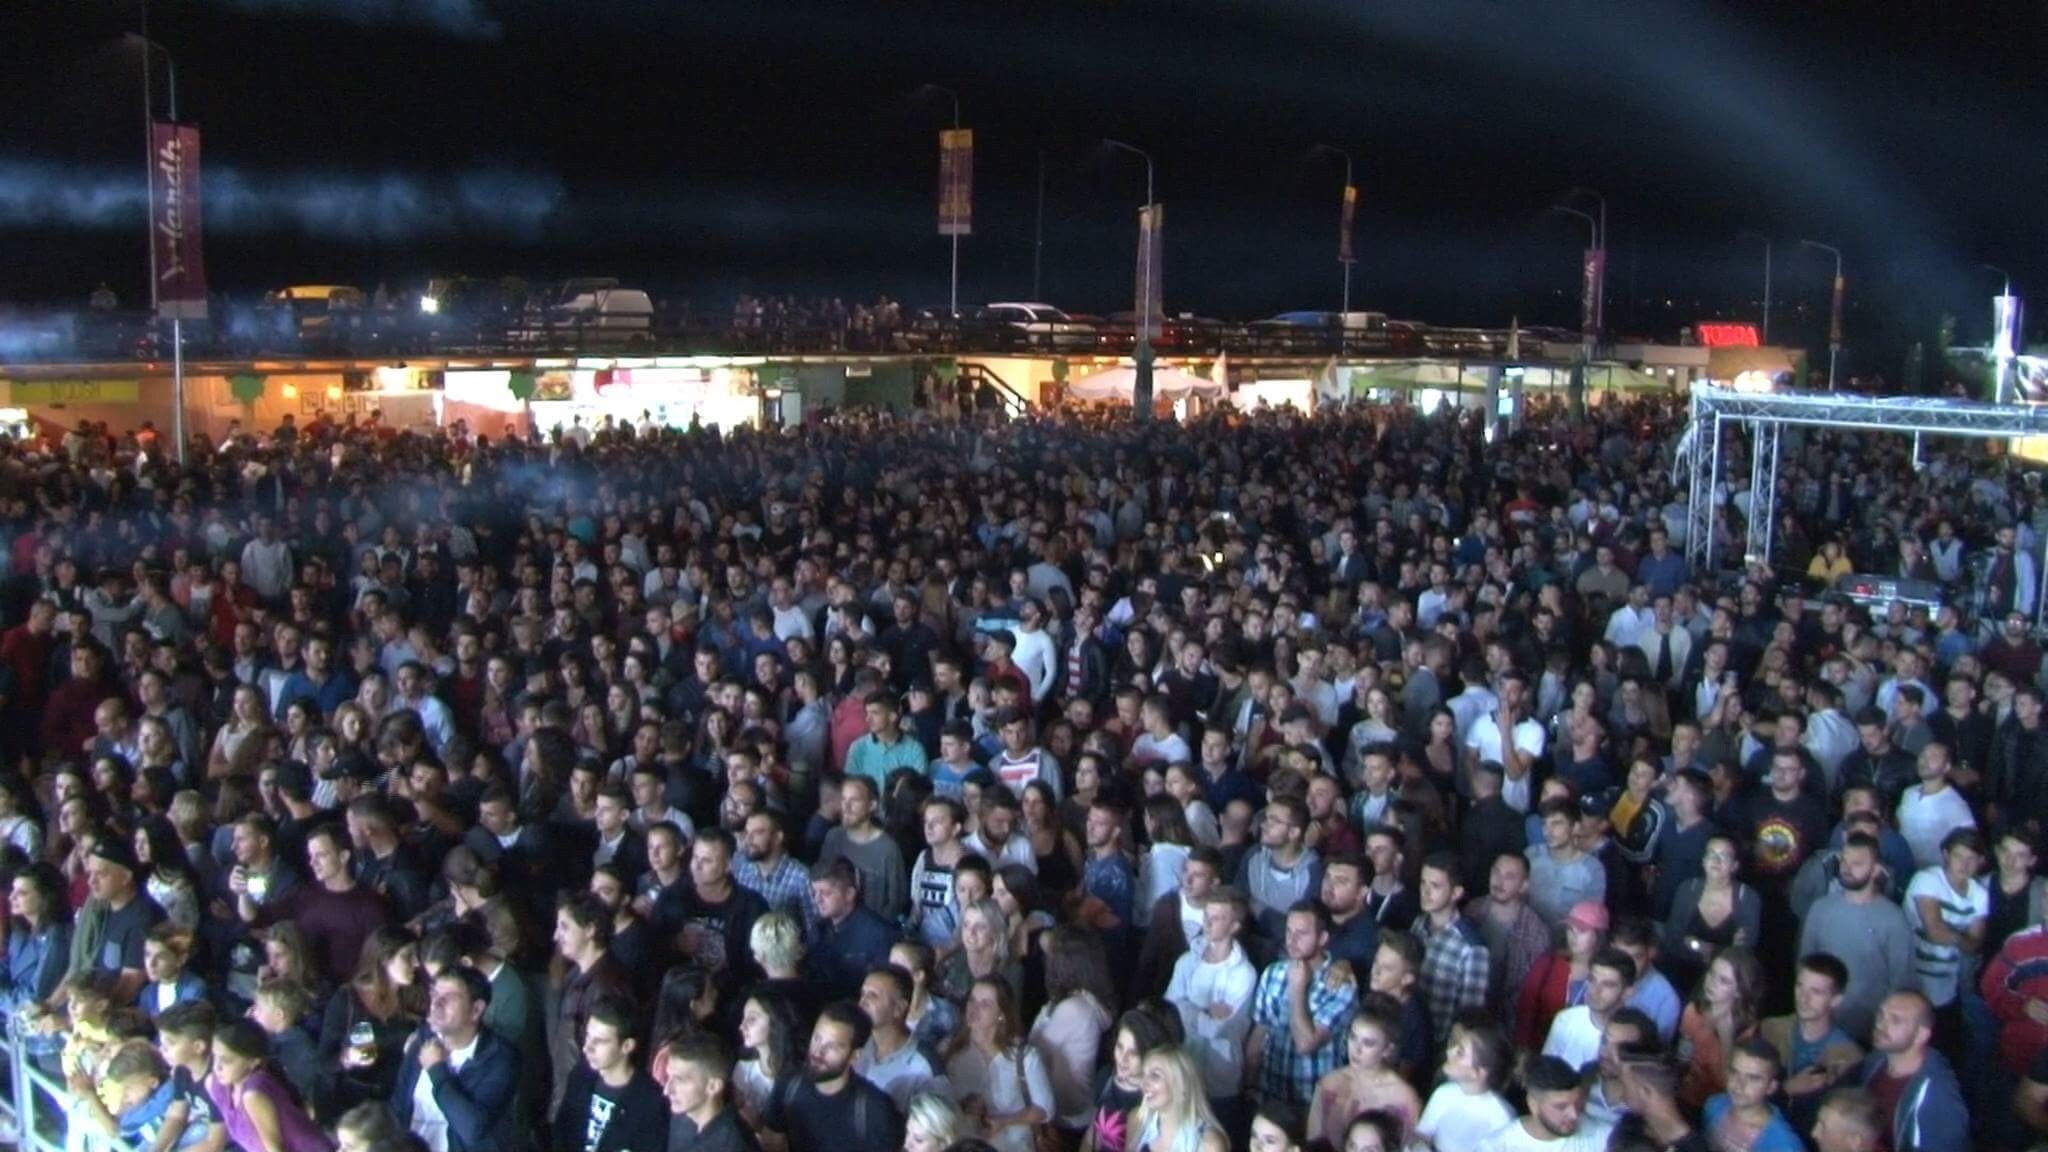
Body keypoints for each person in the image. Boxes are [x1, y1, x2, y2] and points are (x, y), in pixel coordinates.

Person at [1798, 833, 1916, 1042]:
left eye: (1857, 863)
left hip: (1869, 1030)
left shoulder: (1893, 919)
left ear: (1876, 869)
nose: (1847, 868)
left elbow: (1902, 981)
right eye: (1844, 861)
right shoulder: (1820, 909)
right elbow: (1805, 964)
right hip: (1820, 1024)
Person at [391, 966, 523, 1152]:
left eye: (448, 997)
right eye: (434, 994)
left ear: (476, 1010)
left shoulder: (500, 1059)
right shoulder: (422, 1040)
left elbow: (472, 1129)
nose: (436, 1004)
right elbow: (397, 1107)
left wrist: (436, 1070)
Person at [1247, 900, 1358, 1109]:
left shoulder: (1341, 986)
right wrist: (1248, 1086)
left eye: (1302, 933)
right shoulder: (1273, 973)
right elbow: (1259, 1034)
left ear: (1322, 938)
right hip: (1270, 1095)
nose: (1292, 940)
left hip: (1313, 1101)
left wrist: (1297, 990)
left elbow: (1306, 1043)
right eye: (1289, 931)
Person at [760, 1001, 903, 1152]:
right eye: (817, 1038)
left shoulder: (875, 1110)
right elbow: (771, 1143)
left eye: (832, 1046)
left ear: (854, 1056)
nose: (818, 1052)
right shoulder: (789, 1084)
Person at [1164, 886, 1257, 1113]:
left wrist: (1189, 1008)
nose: (1207, 922)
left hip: (1222, 1080)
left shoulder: (1244, 974)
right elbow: (1170, 1013)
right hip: (1184, 1071)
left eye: (1217, 918)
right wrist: (1205, 1013)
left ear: (1234, 926)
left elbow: (1223, 1029)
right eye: (1206, 915)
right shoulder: (1186, 962)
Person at [944, 976, 1053, 1152]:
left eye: (985, 1004)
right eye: (972, 1000)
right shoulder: (951, 1051)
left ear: (1002, 1014)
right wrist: (964, 1105)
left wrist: (1004, 1121)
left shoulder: (1024, 1055)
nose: (974, 1009)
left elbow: (1046, 1109)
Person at [1761, 953, 1864, 1132]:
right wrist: (1787, 1088)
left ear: (1836, 1000)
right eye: (1800, 986)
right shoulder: (1772, 1030)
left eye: (1816, 992)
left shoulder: (1848, 1057)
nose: (1803, 998)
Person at [1855, 991, 1969, 1152]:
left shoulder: (1940, 1097)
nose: (1880, 1025)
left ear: (1921, 1035)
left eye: (1895, 1020)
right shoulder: (1875, 1061)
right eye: (1881, 1015)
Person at [555, 998, 668, 1152]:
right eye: (588, 1036)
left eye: (600, 1041)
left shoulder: (650, 1102)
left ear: (627, 1046)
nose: (587, 1047)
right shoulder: (580, 1077)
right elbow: (561, 1134)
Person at [207, 1019, 336, 1152]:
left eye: (226, 1060)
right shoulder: (215, 1085)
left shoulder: (253, 1094)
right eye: (214, 1056)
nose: (217, 1067)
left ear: (253, 1062)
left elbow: (275, 1149)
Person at [1305, 1002, 1419, 1149]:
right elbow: (1313, 1142)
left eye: (1368, 1043)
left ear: (1387, 1050)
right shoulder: (1329, 1084)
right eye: (1353, 1037)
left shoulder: (1404, 1098)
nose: (1356, 1049)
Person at [1411, 852, 1489, 1052]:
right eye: (1423, 883)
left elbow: (1470, 1013)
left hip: (1438, 1044)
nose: (1425, 892)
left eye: (1435, 886)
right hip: (1409, 1033)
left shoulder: (1471, 947)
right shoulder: (1418, 924)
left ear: (1456, 893)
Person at [1416, 1017, 1516, 1152]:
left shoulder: (1500, 1116)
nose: (1449, 1052)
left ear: (1478, 1073)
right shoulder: (1444, 1093)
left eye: (1460, 1053)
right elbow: (1422, 1135)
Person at [1477, 1054, 1610, 1151]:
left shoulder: (1603, 1136)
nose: (1573, 1115)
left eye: (1577, 1103)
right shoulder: (1497, 1147)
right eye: (1561, 1107)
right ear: (1533, 1105)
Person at [854, 965, 941, 1108]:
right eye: (863, 994)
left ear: (898, 1009)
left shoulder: (923, 1067)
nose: (862, 1002)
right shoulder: (858, 1046)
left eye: (873, 996)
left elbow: (941, 1120)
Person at [1542, 948, 1637, 1074]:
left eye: (1608, 985)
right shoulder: (1565, 1020)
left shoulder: (1634, 1034)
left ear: (1627, 992)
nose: (1595, 990)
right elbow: (1545, 1074)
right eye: (1592, 980)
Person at [1701, 1039, 1805, 1152]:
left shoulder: (1784, 1145)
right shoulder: (1713, 1105)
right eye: (1734, 1072)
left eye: (1753, 1078)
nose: (1739, 1084)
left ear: (1771, 1087)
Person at [1131, 1046, 1228, 1152]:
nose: (1143, 1083)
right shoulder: (1138, 1119)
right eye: (1143, 1074)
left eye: (1155, 1076)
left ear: (1181, 1085)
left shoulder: (1209, 1143)